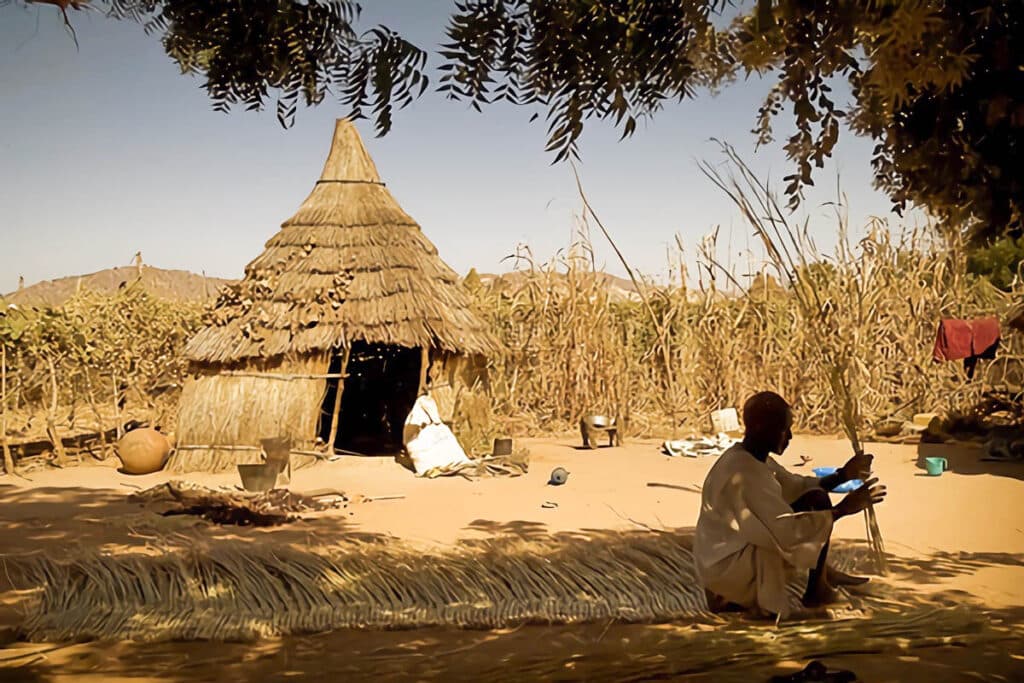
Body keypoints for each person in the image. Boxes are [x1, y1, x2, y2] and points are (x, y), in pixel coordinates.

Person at [693, 391, 887, 618]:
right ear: (758, 428)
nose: (790, 436)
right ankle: (817, 587)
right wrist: (843, 509)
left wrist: (843, 474)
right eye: (783, 429)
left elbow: (794, 484)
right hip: (727, 575)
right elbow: (786, 531)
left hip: (721, 562)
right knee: (815, 511)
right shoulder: (745, 472)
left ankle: (820, 578)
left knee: (816, 498)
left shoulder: (748, 456)